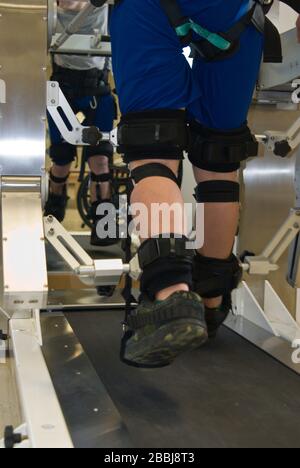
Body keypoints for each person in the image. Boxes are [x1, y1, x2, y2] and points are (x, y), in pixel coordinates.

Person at [110, 0, 300, 367]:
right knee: (219, 158)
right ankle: (212, 302)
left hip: (149, 6)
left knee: (153, 150)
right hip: (236, 14)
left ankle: (171, 298)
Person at [45, 0, 117, 246]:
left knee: (100, 160)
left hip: (96, 85)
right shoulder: (50, 7)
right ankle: (54, 211)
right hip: (63, 85)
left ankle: (104, 226)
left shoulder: (103, 5)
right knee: (62, 159)